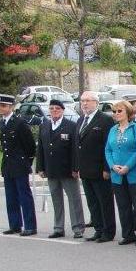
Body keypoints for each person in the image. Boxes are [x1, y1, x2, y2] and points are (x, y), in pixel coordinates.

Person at [35, 98, 84, 239]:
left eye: (57, 108)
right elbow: (41, 149)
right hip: (51, 169)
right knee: (56, 200)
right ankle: (58, 227)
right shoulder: (44, 125)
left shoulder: (71, 125)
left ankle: (78, 227)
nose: (54, 111)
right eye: (52, 109)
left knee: (74, 199)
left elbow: (75, 148)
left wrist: (76, 167)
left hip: (67, 169)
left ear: (62, 110)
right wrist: (40, 167)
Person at [75, 91, 116, 243]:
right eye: (82, 101)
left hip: (100, 169)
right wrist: (77, 167)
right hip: (85, 169)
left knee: (104, 202)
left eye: (88, 101)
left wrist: (107, 168)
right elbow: (77, 145)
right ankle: (98, 229)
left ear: (96, 103)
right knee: (92, 202)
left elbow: (108, 145)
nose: (84, 104)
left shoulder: (105, 120)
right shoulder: (81, 120)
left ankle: (108, 231)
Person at [105, 100, 136, 246]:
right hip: (117, 174)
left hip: (134, 173)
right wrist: (112, 165)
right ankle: (127, 234)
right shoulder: (112, 130)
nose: (116, 114)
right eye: (115, 111)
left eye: (120, 111)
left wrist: (127, 166)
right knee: (123, 206)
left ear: (128, 113)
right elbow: (108, 150)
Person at [0, 94, 37, 236]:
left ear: (11, 107)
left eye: (4, 106)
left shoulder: (20, 123)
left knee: (24, 196)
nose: (1, 108)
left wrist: (27, 162)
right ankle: (15, 224)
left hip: (19, 164)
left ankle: (30, 226)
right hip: (8, 165)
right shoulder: (1, 123)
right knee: (11, 197)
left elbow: (30, 146)